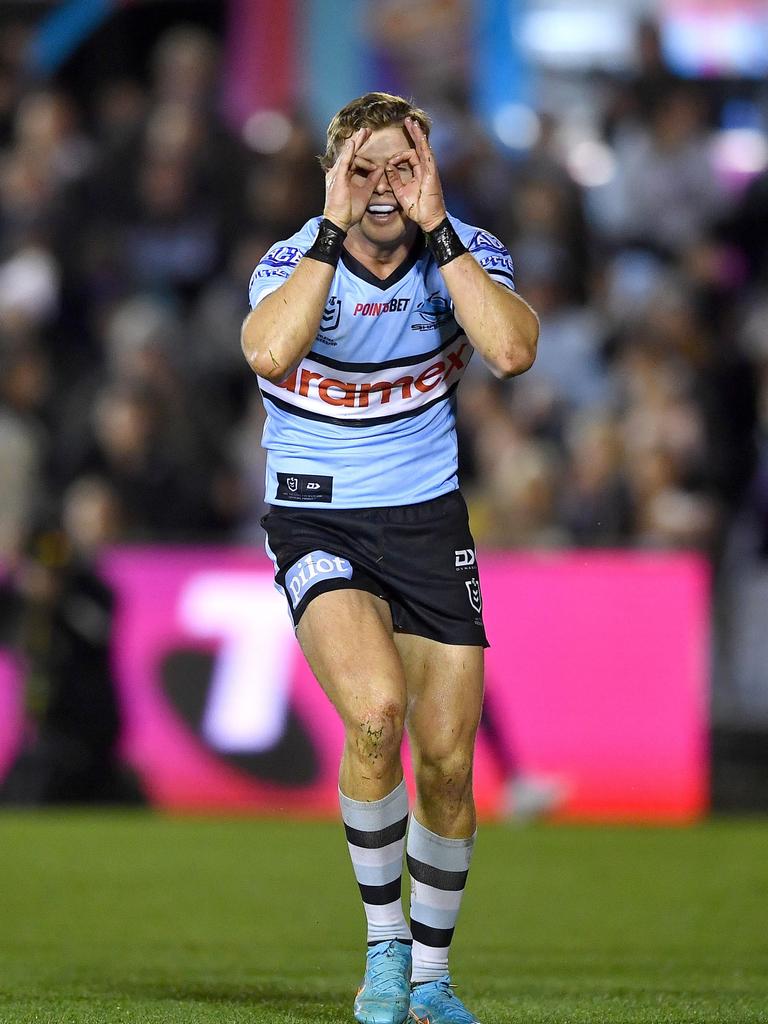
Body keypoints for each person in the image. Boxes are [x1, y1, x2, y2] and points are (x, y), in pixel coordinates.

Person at [241, 93, 538, 1024]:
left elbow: (512, 350)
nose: (382, 188)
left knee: (448, 763)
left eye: (399, 167)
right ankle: (382, 952)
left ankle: (433, 976)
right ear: (333, 177)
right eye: (361, 169)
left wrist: (438, 223)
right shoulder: (293, 261)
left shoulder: (466, 252)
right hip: (317, 517)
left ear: (427, 170)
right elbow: (269, 350)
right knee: (375, 716)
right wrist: (329, 232)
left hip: (425, 519)